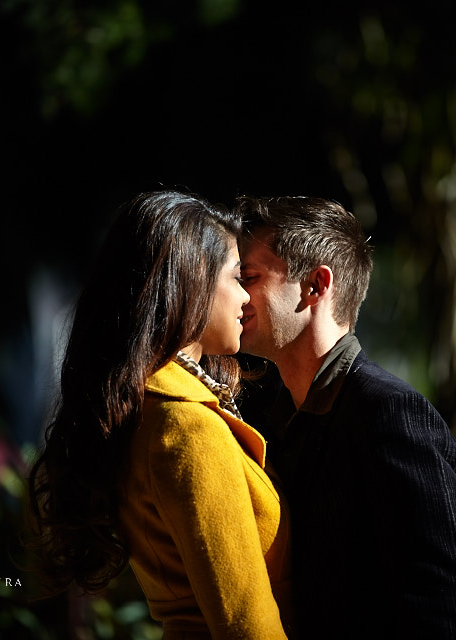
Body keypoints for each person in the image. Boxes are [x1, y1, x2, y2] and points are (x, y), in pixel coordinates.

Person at [28, 191, 293, 639]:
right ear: (193, 280)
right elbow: (246, 626)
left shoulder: (149, 406)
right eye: (237, 277)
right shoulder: (188, 428)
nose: (247, 296)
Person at [234, 195, 456, 639]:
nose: (237, 294)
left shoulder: (390, 414)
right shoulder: (277, 418)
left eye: (250, 277)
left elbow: (451, 612)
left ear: (316, 286)